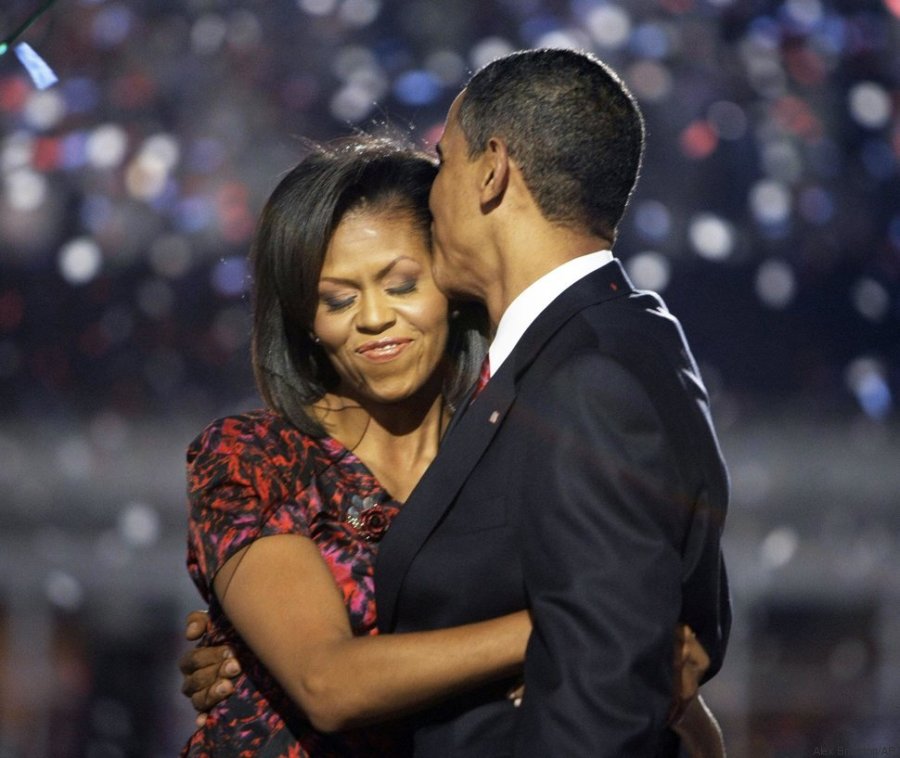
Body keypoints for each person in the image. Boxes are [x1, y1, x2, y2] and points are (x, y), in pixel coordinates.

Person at [179, 134, 721, 755]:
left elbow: (674, 716)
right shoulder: (254, 459)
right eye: (338, 298)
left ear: (450, 282)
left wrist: (647, 661)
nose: (374, 317)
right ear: (306, 320)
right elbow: (328, 685)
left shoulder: (514, 450)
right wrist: (591, 622)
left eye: (401, 285)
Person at [372, 47, 731, 756]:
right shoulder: (606, 345)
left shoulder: (589, 379)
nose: (430, 195)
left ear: (491, 170)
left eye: (443, 163)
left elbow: (600, 704)